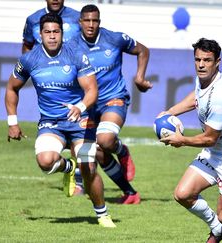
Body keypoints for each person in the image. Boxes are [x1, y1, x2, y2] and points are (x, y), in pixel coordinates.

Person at [5, 13, 115, 228]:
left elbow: (92, 90)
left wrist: (80, 107)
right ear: (40, 34)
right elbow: (12, 88)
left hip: (81, 120)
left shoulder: (76, 55)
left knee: (89, 166)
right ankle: (68, 168)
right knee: (46, 162)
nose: (52, 36)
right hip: (51, 123)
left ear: (62, 34)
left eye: (56, 32)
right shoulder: (29, 59)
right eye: (48, 32)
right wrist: (12, 122)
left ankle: (102, 214)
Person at [160, 38, 222, 243]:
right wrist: (170, 112)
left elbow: (210, 138)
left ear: (218, 61)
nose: (201, 65)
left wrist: (182, 140)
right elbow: (195, 97)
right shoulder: (204, 79)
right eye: (198, 60)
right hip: (215, 154)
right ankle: (217, 228)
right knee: (183, 193)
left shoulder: (221, 96)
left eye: (207, 60)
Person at [73, 4, 152, 204]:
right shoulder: (71, 46)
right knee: (96, 152)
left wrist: (140, 78)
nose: (91, 25)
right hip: (88, 106)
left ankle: (122, 150)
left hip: (113, 99)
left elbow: (143, 50)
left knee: (105, 140)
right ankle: (130, 194)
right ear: (80, 22)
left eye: (95, 20)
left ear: (99, 22)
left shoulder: (114, 39)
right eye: (87, 20)